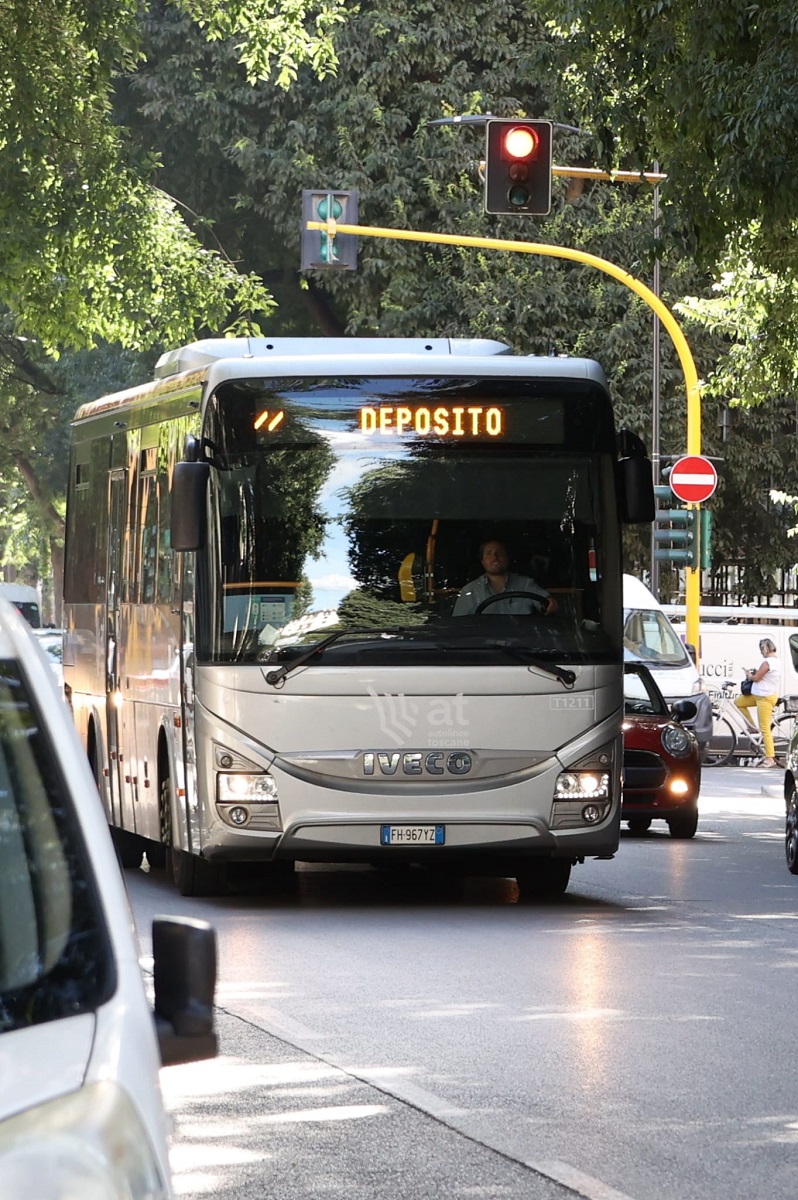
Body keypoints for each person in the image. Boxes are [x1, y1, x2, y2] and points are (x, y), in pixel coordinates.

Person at [452, 539, 557, 616]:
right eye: (489, 553)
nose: (495, 557)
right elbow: (459, 626)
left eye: (499, 552)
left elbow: (546, 602)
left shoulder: (525, 584)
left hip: (523, 642)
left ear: (507, 558)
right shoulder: (469, 591)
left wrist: (550, 602)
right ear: (482, 562)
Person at [734, 637, 781, 767]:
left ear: (765, 649)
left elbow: (756, 678)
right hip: (759, 696)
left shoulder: (767, 662)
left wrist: (749, 675)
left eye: (761, 650)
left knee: (765, 729)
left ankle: (770, 758)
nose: (761, 653)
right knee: (739, 702)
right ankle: (751, 727)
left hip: (764, 698)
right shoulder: (777, 661)